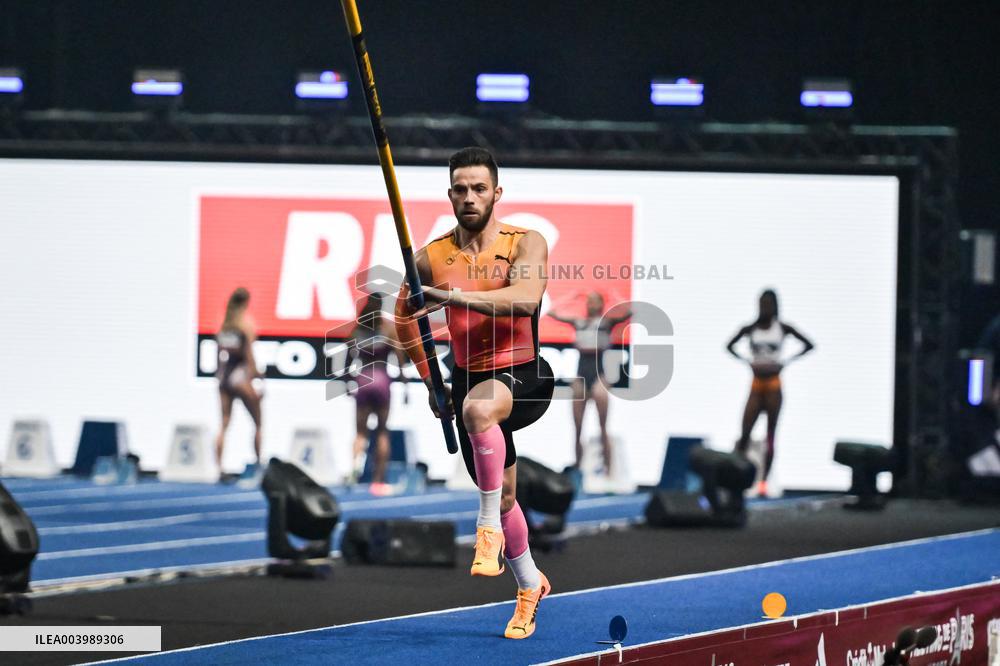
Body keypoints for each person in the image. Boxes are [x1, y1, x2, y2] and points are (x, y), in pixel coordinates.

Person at [395, 146, 555, 640]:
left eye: (479, 188)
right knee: (505, 494)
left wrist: (450, 297)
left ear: (496, 193)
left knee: (481, 408)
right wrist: (431, 381)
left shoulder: (526, 242)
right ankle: (529, 585)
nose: (470, 197)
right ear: (449, 194)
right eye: (461, 189)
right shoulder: (431, 257)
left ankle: (484, 529)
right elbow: (404, 318)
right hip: (465, 384)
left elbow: (524, 299)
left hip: (524, 375)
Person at [726, 289, 814, 496]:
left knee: (770, 434)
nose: (764, 308)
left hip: (773, 384)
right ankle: (735, 478)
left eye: (767, 304)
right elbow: (729, 346)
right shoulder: (751, 328)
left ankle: (764, 481)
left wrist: (785, 362)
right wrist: (747, 361)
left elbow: (809, 345)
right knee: (745, 432)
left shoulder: (782, 328)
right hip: (756, 383)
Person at [547, 291, 631, 474]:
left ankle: (609, 471)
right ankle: (578, 470)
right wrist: (572, 297)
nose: (591, 304)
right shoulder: (579, 323)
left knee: (603, 427)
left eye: (595, 301)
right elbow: (551, 312)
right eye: (589, 301)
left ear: (601, 304)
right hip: (580, 375)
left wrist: (612, 294)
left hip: (598, 374)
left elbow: (629, 310)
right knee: (577, 428)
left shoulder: (606, 323)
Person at [348, 292, 406, 495]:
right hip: (381, 380)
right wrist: (403, 380)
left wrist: (348, 382)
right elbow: (399, 357)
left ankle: (354, 469)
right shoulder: (388, 328)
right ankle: (378, 480)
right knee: (382, 431)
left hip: (362, 379)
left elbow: (349, 359)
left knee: (360, 432)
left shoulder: (358, 328)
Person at [215, 287, 263, 475]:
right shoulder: (245, 324)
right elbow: (248, 354)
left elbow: (219, 355)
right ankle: (258, 464)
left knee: (224, 423)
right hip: (241, 377)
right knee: (258, 422)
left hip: (224, 377)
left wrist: (219, 376)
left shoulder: (224, 325)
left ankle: (219, 467)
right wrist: (256, 374)